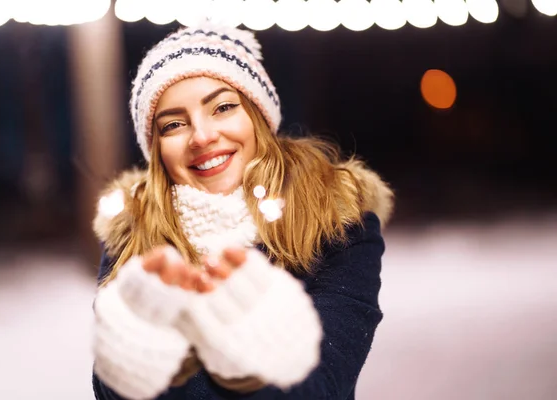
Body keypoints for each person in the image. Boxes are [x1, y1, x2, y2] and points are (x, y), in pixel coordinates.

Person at [91, 21, 394, 400]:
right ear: (157, 149)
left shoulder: (336, 219)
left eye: (222, 107)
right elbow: (113, 389)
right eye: (173, 124)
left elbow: (320, 387)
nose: (202, 136)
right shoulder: (133, 230)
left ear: (257, 114)